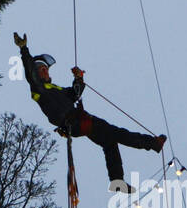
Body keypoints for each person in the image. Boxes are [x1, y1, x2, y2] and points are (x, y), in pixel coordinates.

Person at [14, 32, 165, 193]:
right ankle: (152, 143)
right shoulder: (39, 89)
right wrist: (24, 49)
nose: (45, 72)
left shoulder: (56, 89)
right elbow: (31, 74)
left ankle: (117, 181)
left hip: (80, 122)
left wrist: (78, 79)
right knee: (117, 133)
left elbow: (75, 93)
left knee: (109, 141)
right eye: (41, 70)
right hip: (75, 123)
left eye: (46, 69)